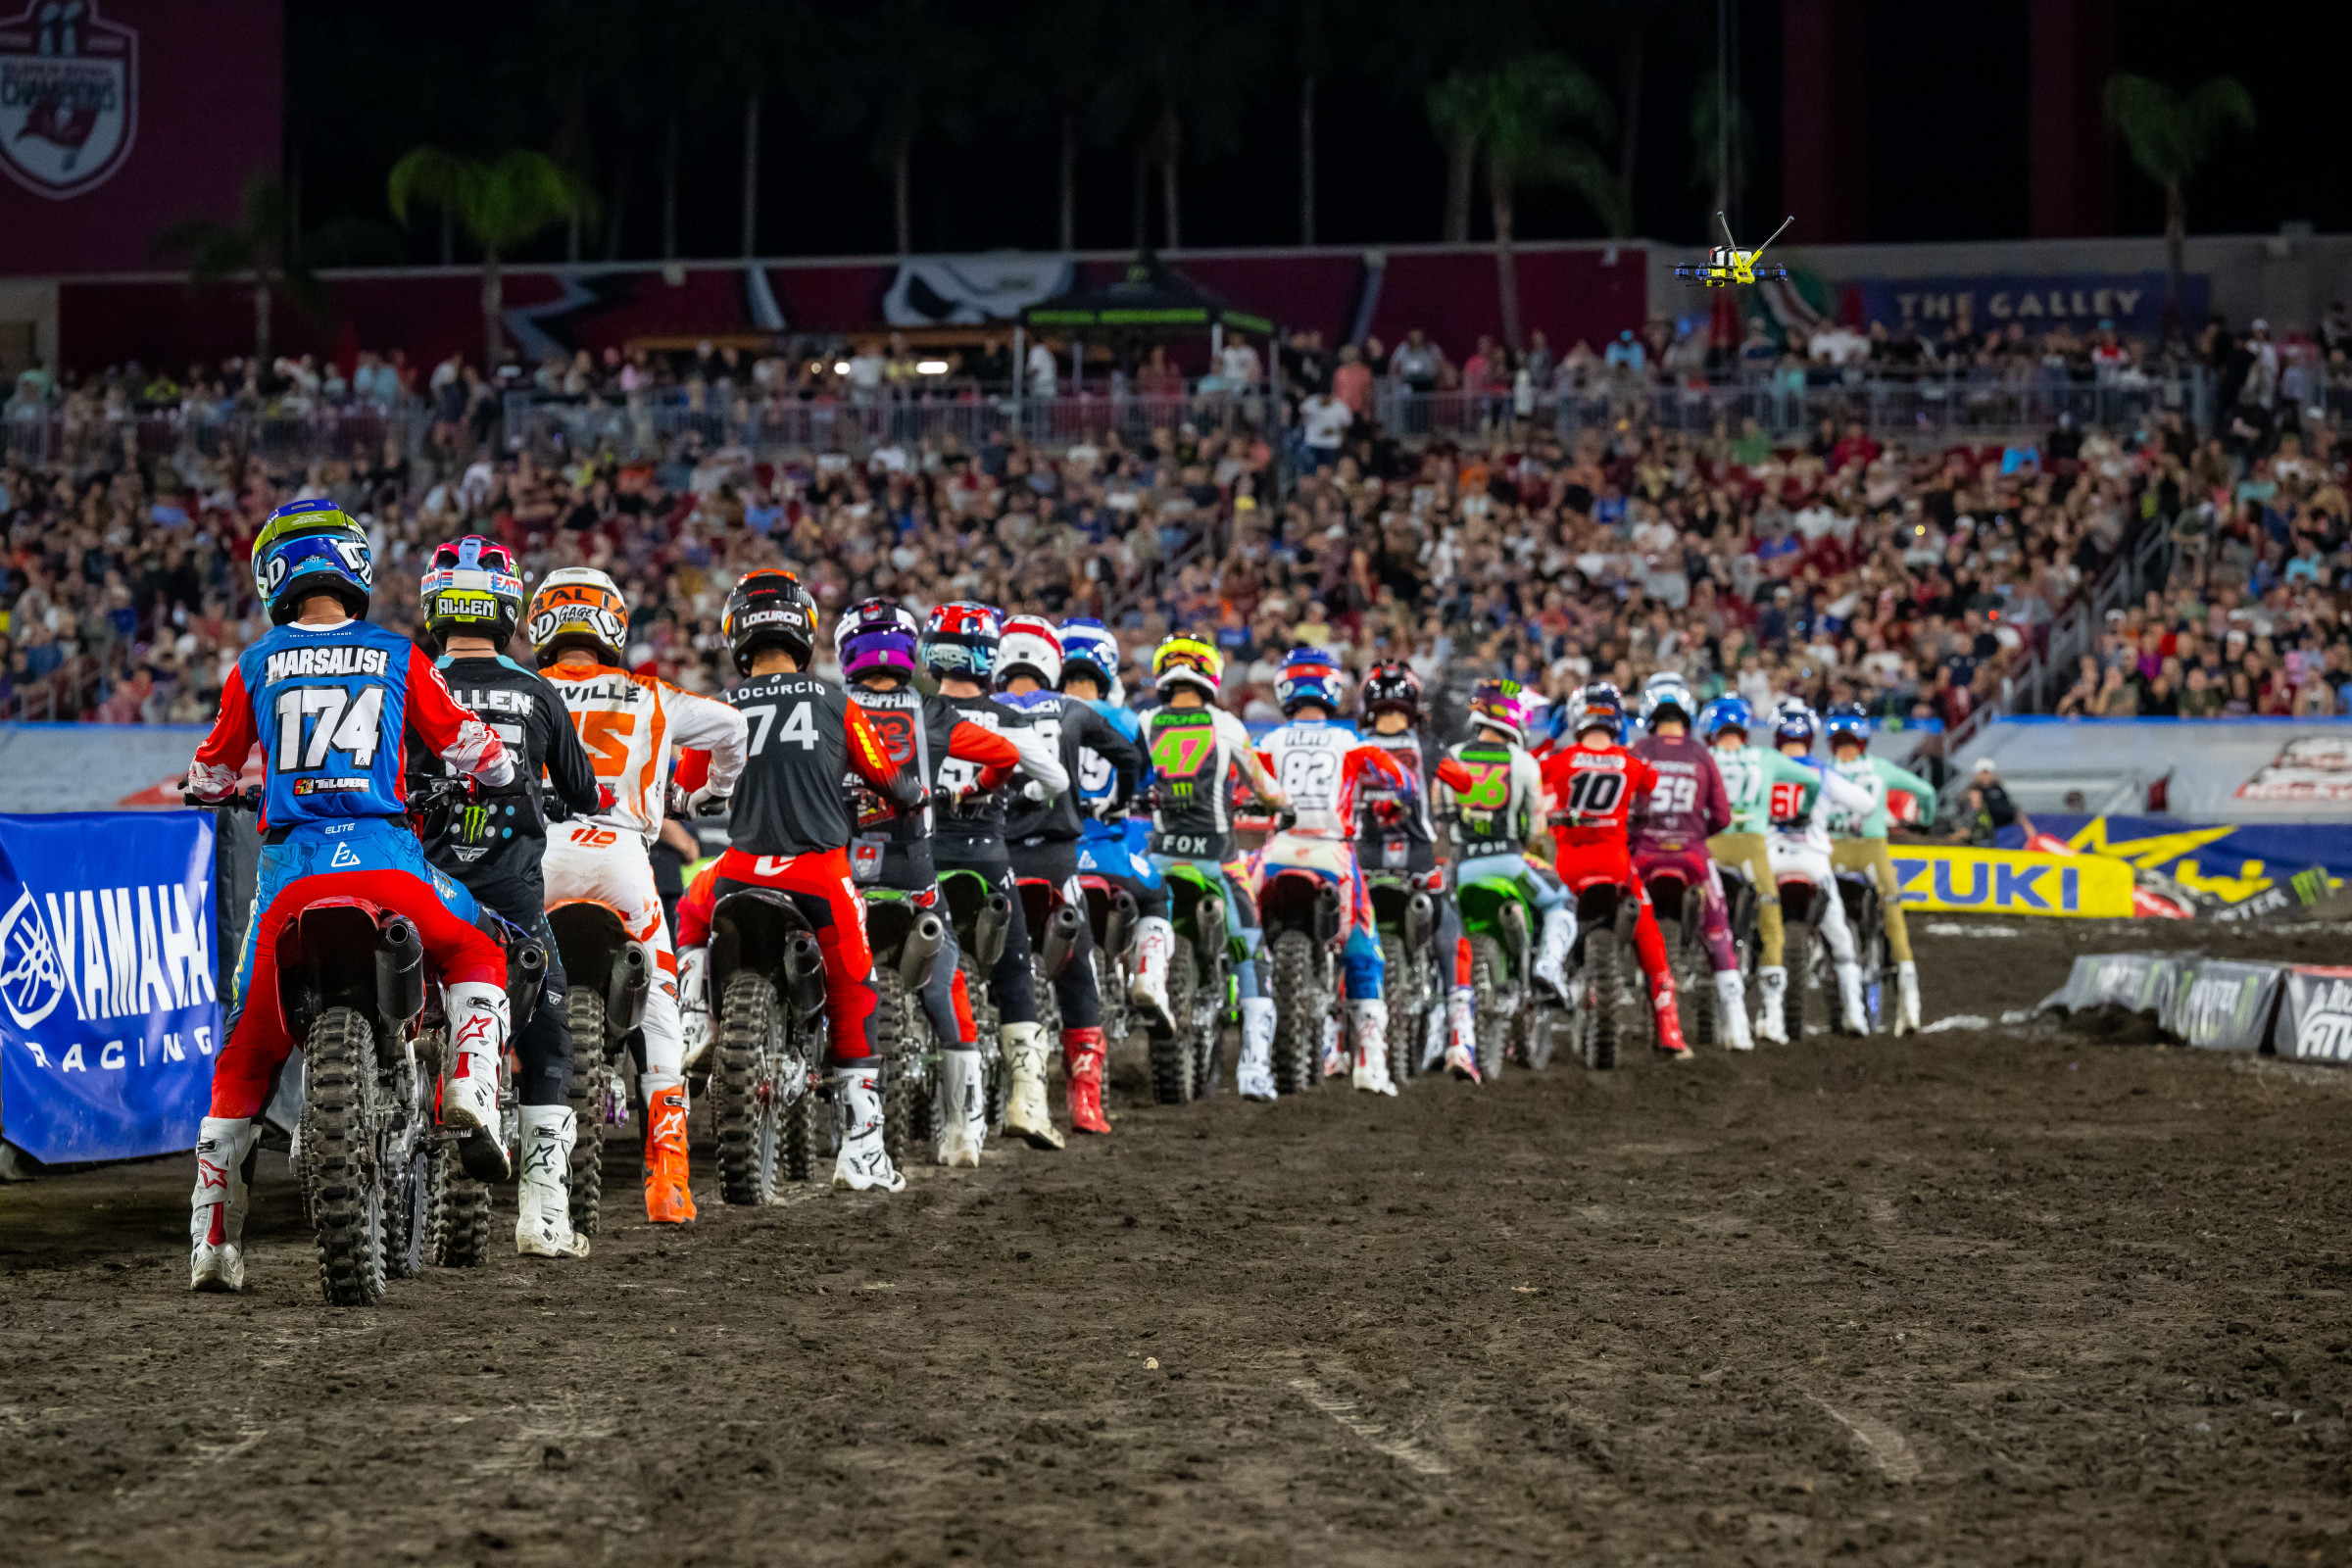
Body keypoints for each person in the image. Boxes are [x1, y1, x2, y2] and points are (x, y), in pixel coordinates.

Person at [184, 500, 516, 1292]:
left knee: (245, 1051)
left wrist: (219, 786)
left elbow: (209, 773)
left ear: (277, 578)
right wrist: (496, 773)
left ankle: (212, 1242)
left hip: (289, 880)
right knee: (480, 946)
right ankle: (470, 1083)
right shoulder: (399, 654)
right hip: (389, 866)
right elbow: (479, 749)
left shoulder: (255, 662)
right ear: (353, 568)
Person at [531, 566, 748, 1224]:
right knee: (657, 1001)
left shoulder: (525, 688)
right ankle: (669, 1178)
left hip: (539, 856)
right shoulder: (648, 691)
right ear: (612, 625)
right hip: (623, 859)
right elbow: (734, 729)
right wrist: (706, 793)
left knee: (484, 981)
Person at [699, 571, 929, 1191]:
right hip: (820, 874)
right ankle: (862, 1143)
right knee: (858, 982)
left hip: (738, 870)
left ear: (736, 633)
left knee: (688, 916)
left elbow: (686, 792)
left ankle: (695, 1014)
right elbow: (893, 780)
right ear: (802, 628)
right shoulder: (835, 701)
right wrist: (911, 793)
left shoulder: (721, 706)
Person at [410, 536, 603, 1256]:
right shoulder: (537, 692)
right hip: (510, 904)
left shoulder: (410, 681)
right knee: (552, 1035)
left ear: (436, 606)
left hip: (422, 894)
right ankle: (542, 1217)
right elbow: (582, 793)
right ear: (508, 608)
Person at [813, 599, 1028, 1165]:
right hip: (912, 865)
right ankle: (962, 1131)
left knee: (822, 972)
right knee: (947, 980)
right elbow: (1005, 755)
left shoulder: (833, 706)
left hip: (846, 861)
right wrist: (974, 788)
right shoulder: (930, 711)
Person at [920, 602, 1073, 1149]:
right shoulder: (1009, 719)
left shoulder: (916, 712)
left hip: (926, 855)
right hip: (988, 856)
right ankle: (1027, 1102)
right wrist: (1028, 792)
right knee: (1013, 976)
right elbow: (1054, 779)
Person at [995, 616, 1144, 1134]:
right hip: (1059, 860)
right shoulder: (1073, 709)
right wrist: (1117, 800)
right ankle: (1085, 1100)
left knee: (978, 965)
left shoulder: (982, 711)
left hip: (998, 855)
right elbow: (1130, 760)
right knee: (1078, 969)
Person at [1252, 648, 1417, 1095]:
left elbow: (1239, 782)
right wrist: (1390, 794)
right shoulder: (1348, 740)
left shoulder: (1269, 740)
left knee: (1244, 931)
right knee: (1363, 947)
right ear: (1332, 690)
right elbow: (1402, 779)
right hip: (1331, 852)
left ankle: (1249, 1035)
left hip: (1278, 851)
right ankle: (1369, 1061)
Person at [1141, 636, 1288, 1100]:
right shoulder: (1225, 725)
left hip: (1161, 857)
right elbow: (1263, 786)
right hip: (1218, 861)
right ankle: (1253, 1067)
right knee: (1250, 952)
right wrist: (1284, 805)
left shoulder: (1145, 722)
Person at [1537, 682, 1688, 1057]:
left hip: (1569, 861)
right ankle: (1668, 1026)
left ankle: (1523, 1019)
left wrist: (1548, 739)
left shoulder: (1561, 759)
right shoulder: (1629, 761)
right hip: (1614, 859)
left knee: (1541, 921)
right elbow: (1651, 783)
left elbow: (1526, 771)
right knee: (1648, 930)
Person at [1351, 662, 1477, 1075]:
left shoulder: (1352, 746)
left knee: (1344, 941)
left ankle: (1334, 1045)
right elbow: (1466, 784)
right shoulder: (1427, 746)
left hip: (1365, 860)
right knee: (1451, 935)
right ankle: (1460, 1039)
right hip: (1417, 861)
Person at [1435, 679, 1562, 1079]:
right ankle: (1549, 967)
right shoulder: (1524, 763)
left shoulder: (1450, 756)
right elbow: (1536, 830)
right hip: (1509, 862)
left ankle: (1440, 1014)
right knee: (1562, 904)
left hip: (1461, 867)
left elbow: (1439, 818)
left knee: (1444, 937)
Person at [1057, 618, 1176, 1037]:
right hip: (1110, 857)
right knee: (1160, 893)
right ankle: (1147, 975)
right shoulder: (1126, 720)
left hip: (1056, 857)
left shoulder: (1045, 715)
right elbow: (1145, 780)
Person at [1628, 674, 1745, 1051]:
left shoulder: (1637, 749)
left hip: (1644, 856)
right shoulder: (1701, 754)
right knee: (1718, 928)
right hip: (1692, 857)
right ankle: (1738, 1023)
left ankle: (1598, 987)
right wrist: (1694, 832)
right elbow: (1723, 816)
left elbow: (1623, 808)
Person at [1759, 699, 1879, 1036]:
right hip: (1813, 860)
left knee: (1751, 936)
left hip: (1771, 859)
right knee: (1840, 940)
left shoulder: (1767, 766)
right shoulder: (1824, 772)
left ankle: (1766, 1015)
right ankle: (1855, 1013)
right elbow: (1867, 804)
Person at [1823, 703, 1936, 1035]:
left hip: (1832, 852)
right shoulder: (1880, 768)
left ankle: (1817, 961)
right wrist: (1924, 823)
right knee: (1896, 923)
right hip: (1873, 853)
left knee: (1815, 914)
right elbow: (1926, 792)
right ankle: (1910, 1007)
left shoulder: (1823, 770)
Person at [1965, 757, 2032, 846]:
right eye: (1983, 774)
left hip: (2006, 816)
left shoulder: (1997, 787)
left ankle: (2033, 841)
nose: (1986, 776)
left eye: (1987, 773)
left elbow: (2008, 802)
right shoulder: (1976, 790)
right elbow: (1975, 809)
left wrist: (2015, 810)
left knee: (2021, 815)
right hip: (1990, 820)